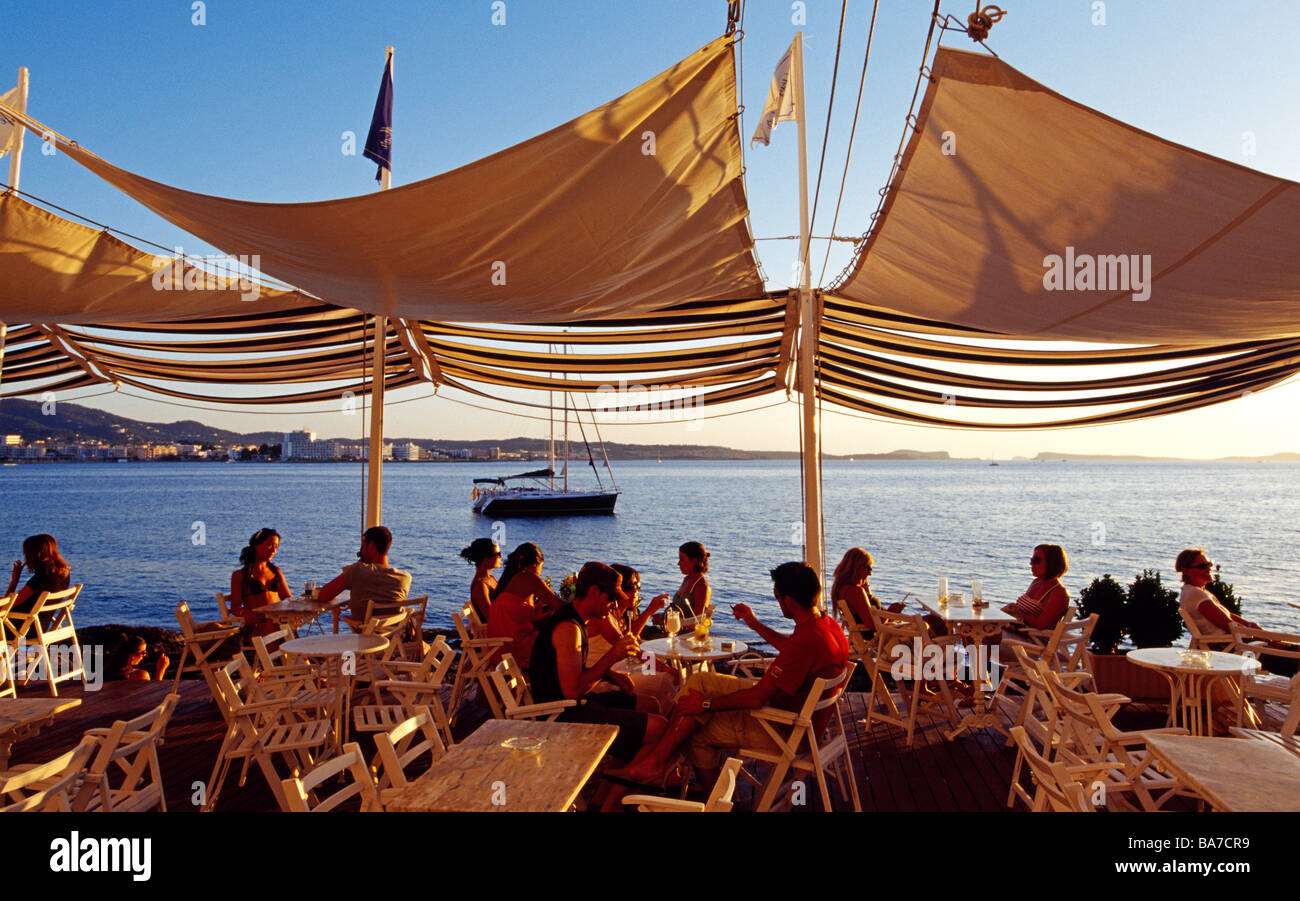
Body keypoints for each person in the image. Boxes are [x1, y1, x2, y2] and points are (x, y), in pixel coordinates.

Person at [612, 561, 849, 789]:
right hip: (800, 718)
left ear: (788, 600)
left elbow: (756, 698)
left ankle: (706, 794)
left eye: (777, 596)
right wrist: (753, 623)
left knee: (696, 733)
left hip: (785, 729)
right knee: (699, 681)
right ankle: (658, 761)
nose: (778, 602)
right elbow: (791, 650)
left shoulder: (805, 643)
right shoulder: (826, 625)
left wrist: (705, 704)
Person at [528, 562, 666, 764]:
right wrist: (612, 656)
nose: (615, 605)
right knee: (659, 727)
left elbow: (571, 670)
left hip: (576, 703)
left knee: (651, 704)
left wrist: (610, 675)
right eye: (611, 598)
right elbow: (572, 691)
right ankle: (619, 778)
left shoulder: (576, 619)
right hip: (562, 715)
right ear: (594, 592)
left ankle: (623, 769)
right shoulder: (568, 628)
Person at [1176, 549, 1297, 676]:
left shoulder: (1198, 592)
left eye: (1209, 564)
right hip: (1234, 649)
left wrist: (1252, 626)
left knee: (1294, 650)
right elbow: (1229, 626)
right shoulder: (1195, 594)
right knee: (1294, 658)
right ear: (1186, 570)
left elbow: (1229, 615)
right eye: (1202, 566)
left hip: (1238, 644)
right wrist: (1264, 638)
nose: (1208, 569)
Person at [317, 525, 411, 621]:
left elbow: (323, 596)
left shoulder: (357, 571)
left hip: (365, 630)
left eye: (363, 546)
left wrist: (360, 563)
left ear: (371, 546)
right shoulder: (404, 579)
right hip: (394, 629)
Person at [229, 528, 291, 639]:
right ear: (256, 546)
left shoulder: (275, 571)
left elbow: (288, 599)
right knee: (274, 625)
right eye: (269, 545)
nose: (273, 550)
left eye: (276, 547)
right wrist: (249, 615)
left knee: (283, 626)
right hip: (257, 627)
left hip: (278, 623)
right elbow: (235, 608)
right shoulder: (240, 575)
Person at [831, 547, 903, 635]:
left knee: (918, 624)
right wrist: (891, 612)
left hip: (877, 631)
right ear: (856, 568)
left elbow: (867, 612)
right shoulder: (855, 592)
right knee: (919, 630)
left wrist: (864, 585)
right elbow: (873, 624)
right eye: (868, 568)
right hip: (878, 635)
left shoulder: (841, 588)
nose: (870, 573)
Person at [1002, 544, 1070, 632]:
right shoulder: (1036, 582)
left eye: (1036, 560)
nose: (1031, 563)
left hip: (1034, 637)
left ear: (1051, 563)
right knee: (986, 627)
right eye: (1032, 559)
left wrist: (1016, 613)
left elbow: (1041, 624)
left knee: (989, 634)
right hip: (1019, 630)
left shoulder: (1059, 593)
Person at [6, 533, 71, 618]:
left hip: (20, 623)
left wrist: (14, 581)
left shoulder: (40, 579)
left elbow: (7, 605)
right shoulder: (64, 574)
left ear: (33, 555)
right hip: (41, 622)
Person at [491, 542, 562, 617]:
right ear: (535, 564)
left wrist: (536, 609)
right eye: (541, 567)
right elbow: (559, 605)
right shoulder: (528, 578)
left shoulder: (508, 580)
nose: (540, 573)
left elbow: (514, 612)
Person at [459, 538, 501, 624]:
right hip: (493, 629)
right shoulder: (480, 585)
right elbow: (491, 616)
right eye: (498, 554)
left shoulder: (491, 579)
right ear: (486, 559)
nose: (501, 557)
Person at [668, 541, 711, 620]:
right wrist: (663, 617)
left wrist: (669, 621)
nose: (678, 563)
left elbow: (697, 621)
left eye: (682, 560)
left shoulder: (701, 586)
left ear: (694, 561)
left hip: (684, 628)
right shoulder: (687, 579)